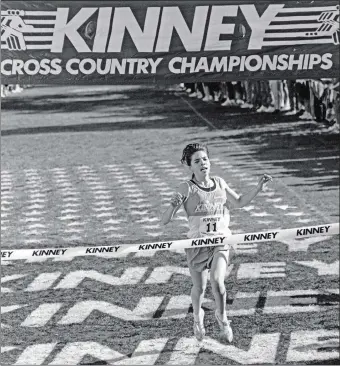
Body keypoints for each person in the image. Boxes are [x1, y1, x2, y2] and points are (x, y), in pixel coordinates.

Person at [161, 143, 272, 342]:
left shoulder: (220, 183)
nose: (202, 163)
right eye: (197, 161)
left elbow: (238, 202)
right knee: (199, 288)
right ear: (190, 166)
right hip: (196, 246)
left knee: (217, 281)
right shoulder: (186, 188)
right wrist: (172, 206)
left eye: (205, 159)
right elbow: (165, 220)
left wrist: (258, 188)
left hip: (221, 242)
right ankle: (197, 317)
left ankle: (222, 317)